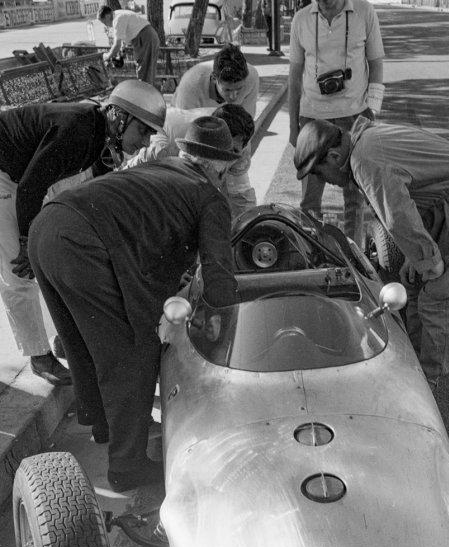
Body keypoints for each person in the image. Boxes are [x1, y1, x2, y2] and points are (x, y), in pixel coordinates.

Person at [28, 116, 240, 493]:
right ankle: (127, 467)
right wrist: (227, 328)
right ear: (219, 165)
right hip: (81, 243)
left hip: (48, 225)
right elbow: (219, 276)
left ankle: (104, 425)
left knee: (82, 342)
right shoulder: (210, 197)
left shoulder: (163, 166)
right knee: (130, 351)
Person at [294, 117, 449, 389]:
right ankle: (410, 361)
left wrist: (428, 260)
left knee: (442, 296)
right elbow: (407, 205)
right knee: (413, 279)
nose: (324, 181)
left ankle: (425, 386)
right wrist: (418, 256)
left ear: (334, 155)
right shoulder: (367, 144)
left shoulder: (366, 161)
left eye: (319, 173)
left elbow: (398, 217)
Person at [0, 79, 165, 386]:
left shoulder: (99, 138)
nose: (145, 142)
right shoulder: (77, 131)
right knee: (19, 270)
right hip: (6, 174)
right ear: (119, 116)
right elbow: (30, 188)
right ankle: (39, 356)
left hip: (20, 175)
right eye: (143, 130)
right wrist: (25, 241)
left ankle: (63, 339)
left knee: (51, 258)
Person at [288, 0, 385, 245]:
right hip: (312, 117)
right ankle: (312, 252)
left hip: (355, 116)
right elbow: (295, 76)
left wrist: (372, 110)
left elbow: (375, 64)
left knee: (356, 195)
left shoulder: (364, 12)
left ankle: (354, 255)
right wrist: (292, 126)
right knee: (310, 199)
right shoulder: (301, 19)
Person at [124, 102, 255, 220]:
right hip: (169, 134)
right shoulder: (163, 146)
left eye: (233, 152)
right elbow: (127, 176)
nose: (224, 160)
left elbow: (241, 200)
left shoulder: (242, 150)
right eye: (222, 150)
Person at [174, 44, 259, 216]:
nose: (233, 97)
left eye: (239, 90)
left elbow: (243, 130)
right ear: (214, 78)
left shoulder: (252, 78)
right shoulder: (191, 84)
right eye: (227, 89)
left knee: (241, 196)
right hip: (193, 133)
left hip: (229, 130)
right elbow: (190, 141)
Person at [98, 5, 160, 85]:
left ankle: (144, 95)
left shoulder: (117, 19)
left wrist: (107, 56)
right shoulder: (119, 14)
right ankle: (148, 94)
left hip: (145, 38)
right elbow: (125, 39)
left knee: (144, 72)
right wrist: (121, 53)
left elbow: (117, 45)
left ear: (107, 16)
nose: (105, 25)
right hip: (148, 36)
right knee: (148, 72)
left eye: (103, 22)